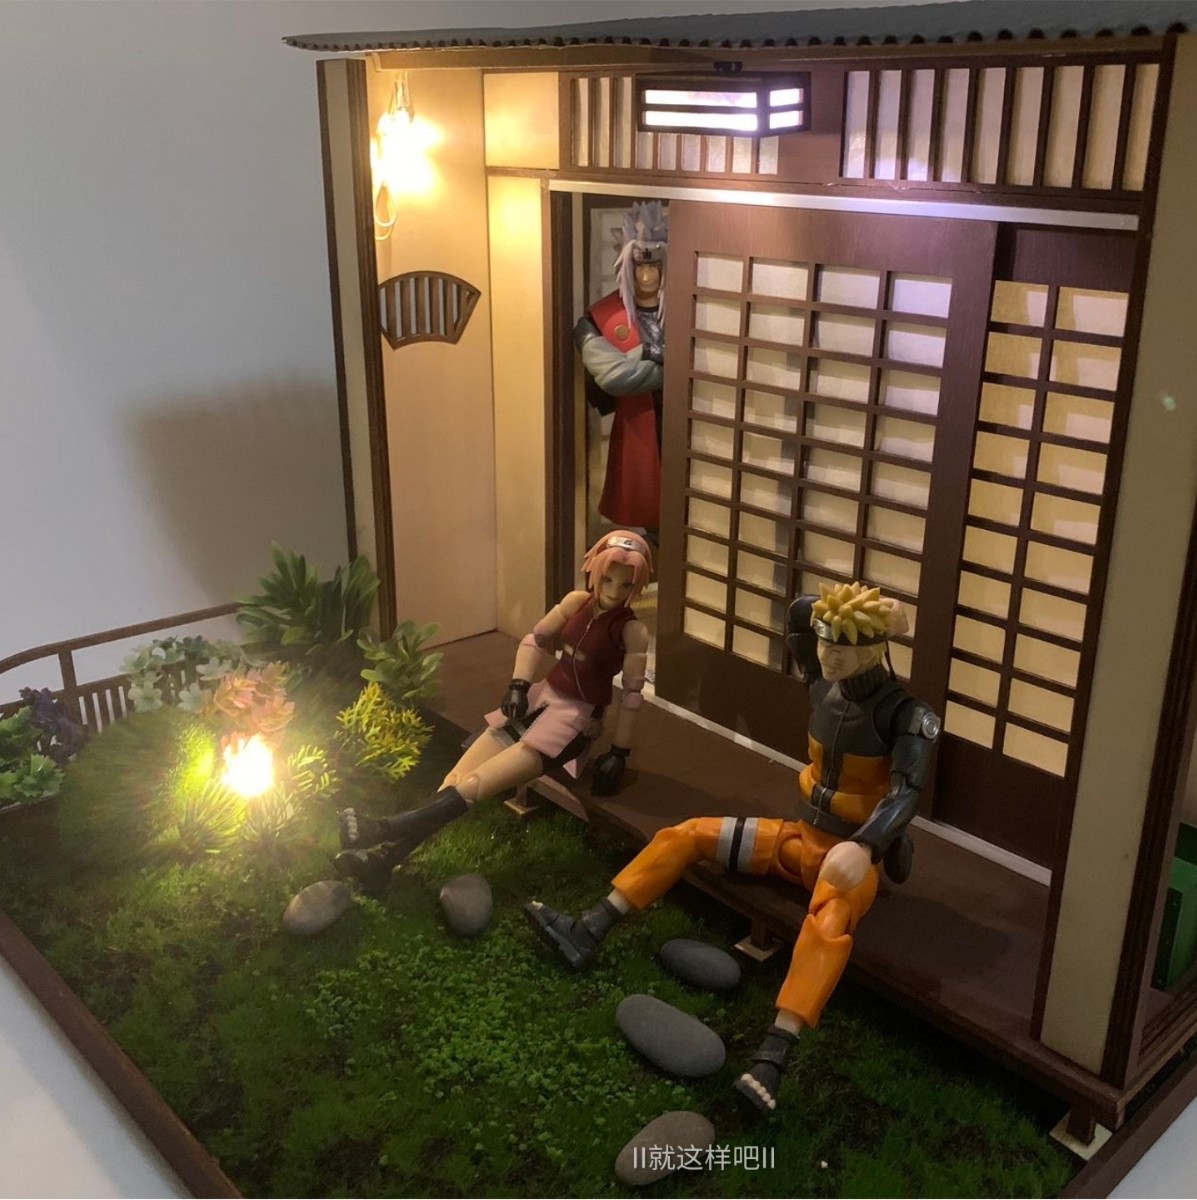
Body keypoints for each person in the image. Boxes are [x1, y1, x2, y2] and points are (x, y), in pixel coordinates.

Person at [526, 582, 940, 1117]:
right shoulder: (823, 686)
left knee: (828, 923)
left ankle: (773, 1057)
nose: (829, 654)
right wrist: (844, 606)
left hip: (849, 862)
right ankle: (589, 928)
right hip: (797, 841)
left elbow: (907, 792)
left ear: (877, 648)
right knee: (686, 834)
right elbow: (797, 616)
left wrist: (866, 846)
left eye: (845, 644)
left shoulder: (907, 715)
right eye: (826, 640)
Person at [333, 531, 652, 896]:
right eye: (607, 579)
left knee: (475, 785)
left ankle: (379, 830)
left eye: (625, 584)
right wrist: (518, 684)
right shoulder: (576, 602)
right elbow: (535, 639)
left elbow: (632, 695)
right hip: (538, 699)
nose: (613, 590)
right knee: (455, 778)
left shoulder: (632, 631)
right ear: (594, 571)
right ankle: (383, 862)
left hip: (572, 723)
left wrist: (619, 752)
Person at [575, 201, 666, 536]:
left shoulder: (688, 311)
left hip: (684, 427)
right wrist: (661, 358)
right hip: (635, 427)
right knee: (646, 512)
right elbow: (616, 377)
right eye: (639, 266)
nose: (647, 276)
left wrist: (643, 359)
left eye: (655, 266)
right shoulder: (594, 321)